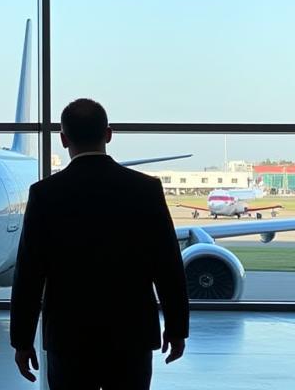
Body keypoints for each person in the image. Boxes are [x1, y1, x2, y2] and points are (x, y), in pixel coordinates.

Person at [10, 98, 189, 390]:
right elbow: (168, 266)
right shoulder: (145, 190)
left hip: (69, 338)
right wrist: (177, 328)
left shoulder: (45, 194)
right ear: (108, 134)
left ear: (63, 139)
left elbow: (29, 274)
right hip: (131, 336)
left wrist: (22, 340)